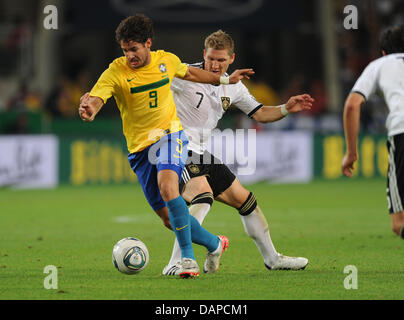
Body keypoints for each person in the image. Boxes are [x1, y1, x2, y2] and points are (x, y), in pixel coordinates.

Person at [78, 15, 254, 278]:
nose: (130, 56)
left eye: (134, 49)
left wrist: (228, 81)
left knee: (169, 186)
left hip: (170, 136)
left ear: (148, 43)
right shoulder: (116, 71)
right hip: (139, 150)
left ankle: (187, 260)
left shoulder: (166, 61)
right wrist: (89, 109)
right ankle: (215, 244)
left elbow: (194, 73)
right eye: (125, 50)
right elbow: (97, 98)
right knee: (168, 218)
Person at [162, 29, 313, 276]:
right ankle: (177, 261)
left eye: (221, 60)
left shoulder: (234, 87)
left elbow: (261, 113)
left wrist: (286, 107)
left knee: (246, 201)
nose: (214, 64)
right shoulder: (184, 74)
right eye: (211, 58)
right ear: (204, 54)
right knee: (202, 195)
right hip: (177, 147)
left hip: (202, 151)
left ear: (232, 59)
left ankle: (272, 258)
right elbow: (153, 81)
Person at [342, 25, 404, 239]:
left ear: (384, 52)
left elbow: (352, 105)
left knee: (399, 222)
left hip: (401, 130)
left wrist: (351, 153)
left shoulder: (380, 65)